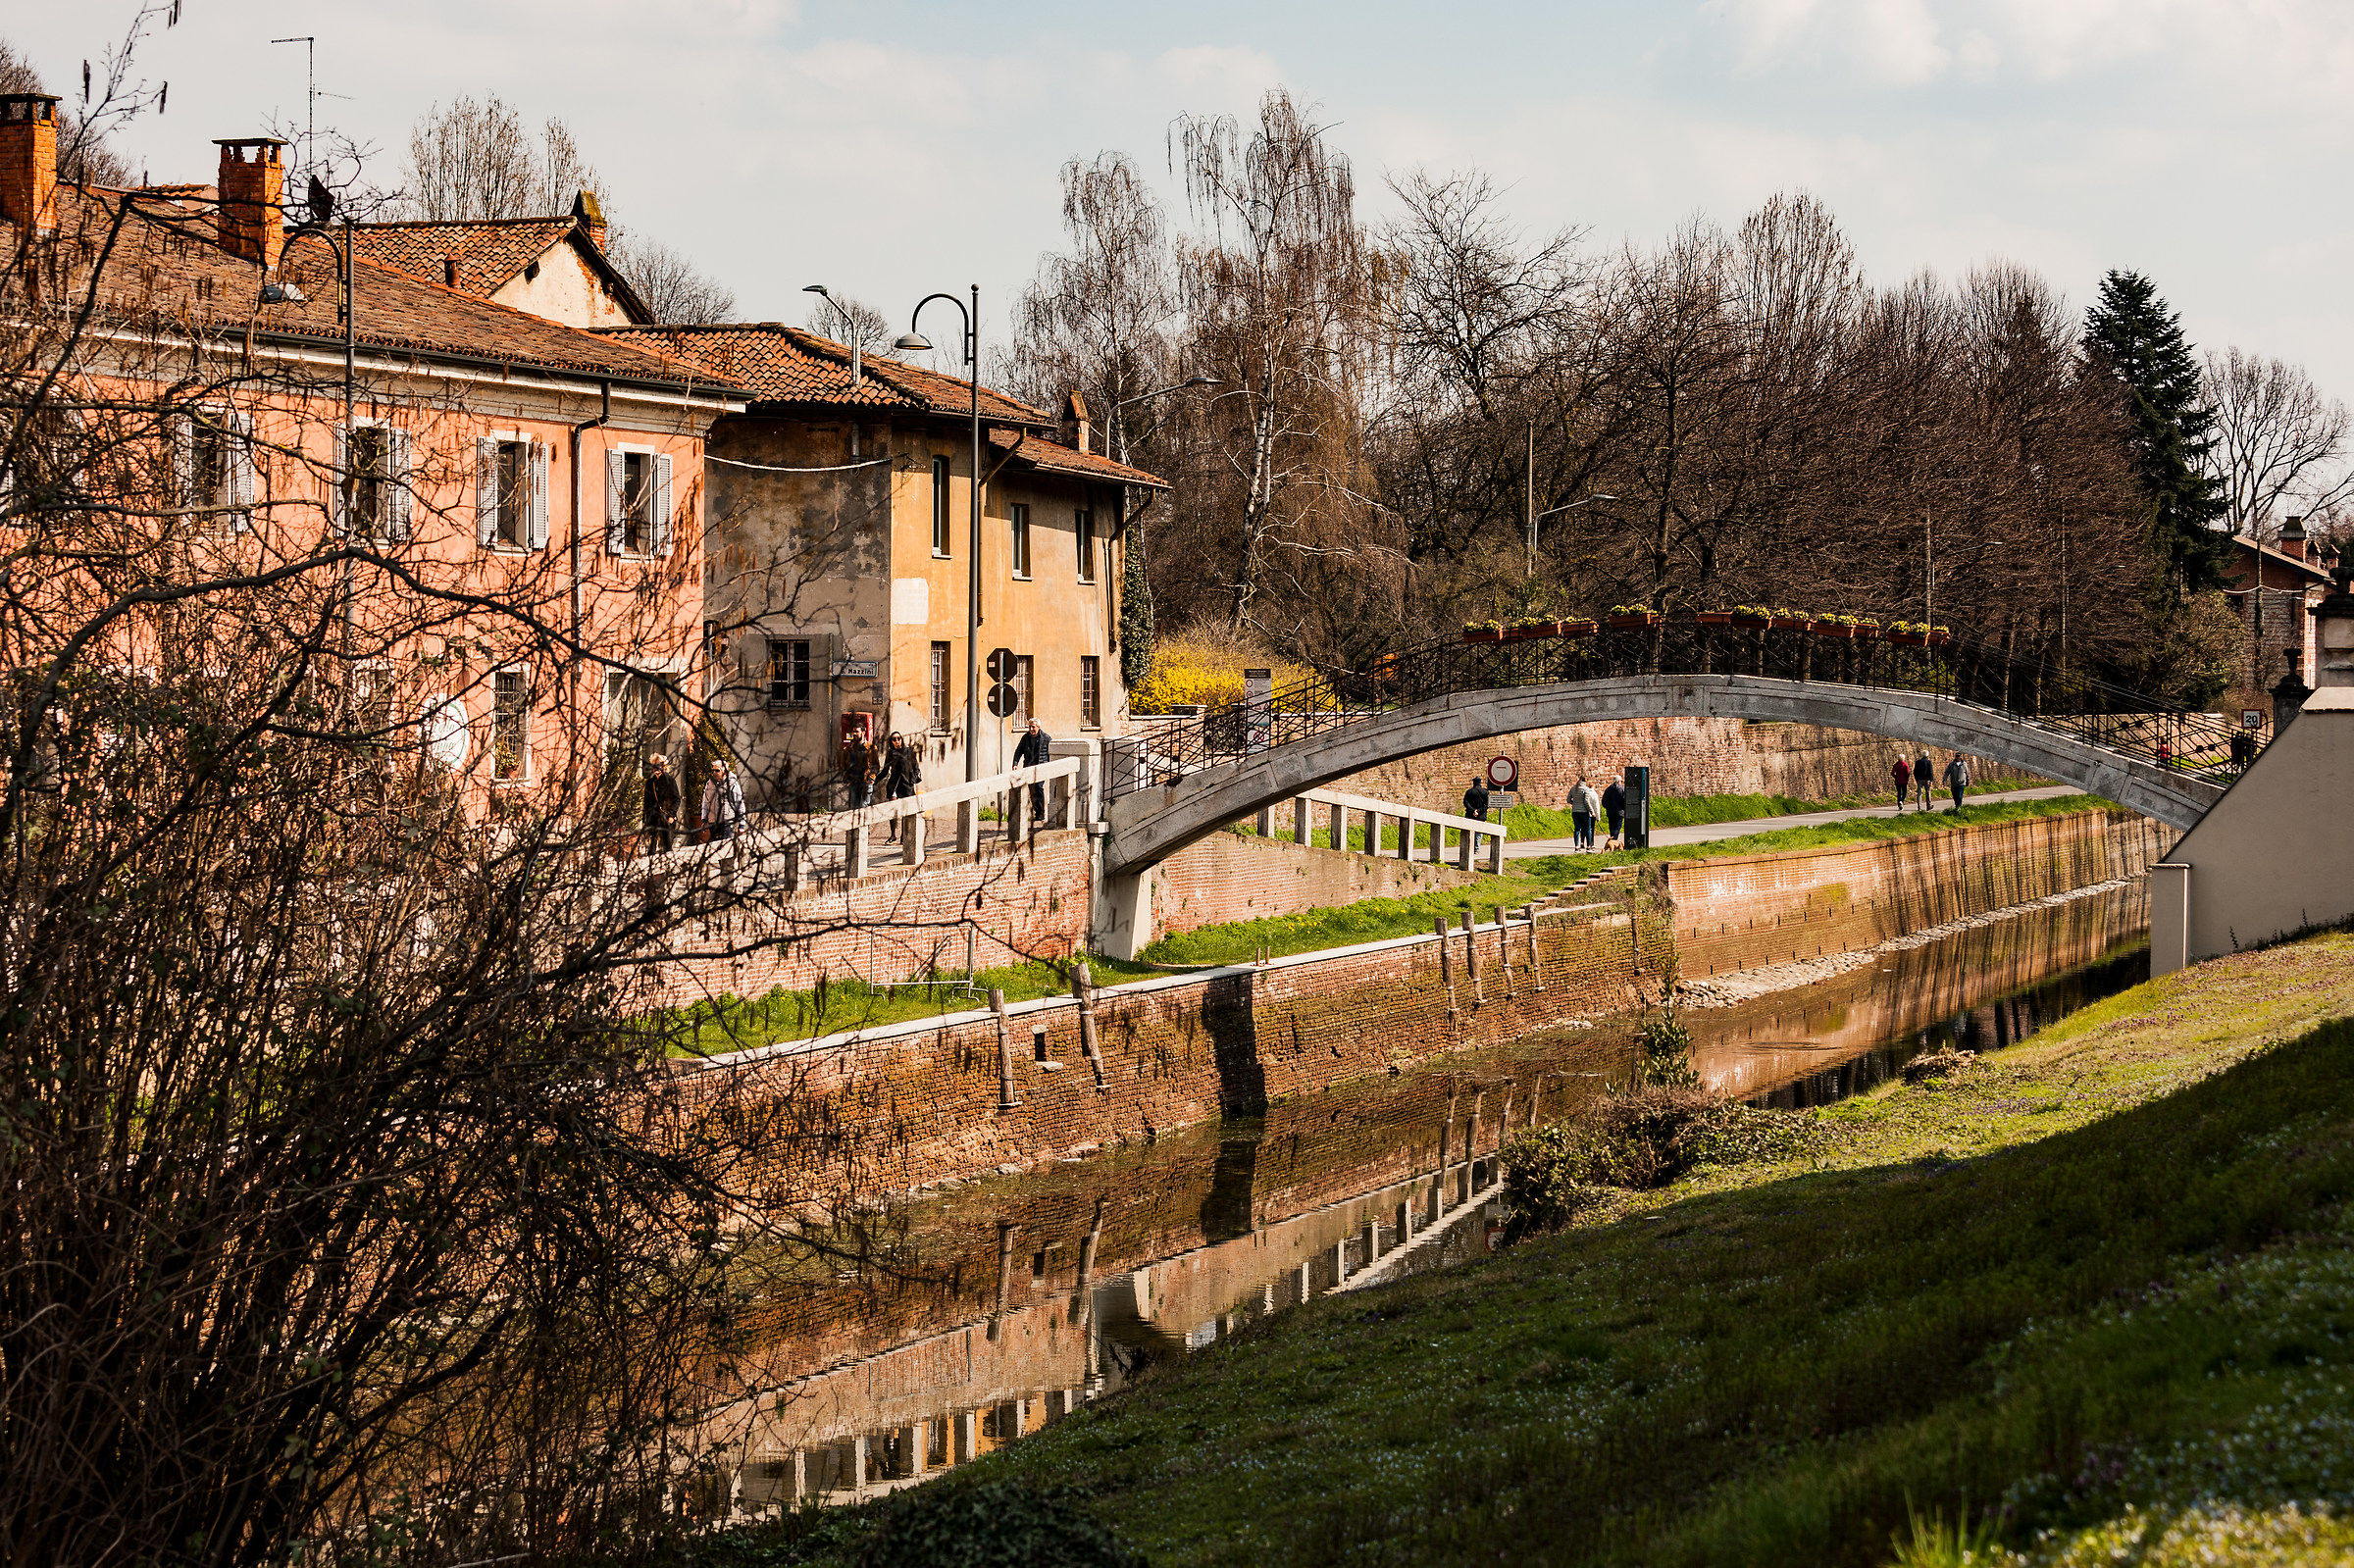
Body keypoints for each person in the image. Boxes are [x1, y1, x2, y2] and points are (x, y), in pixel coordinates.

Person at [1011, 719, 1053, 825]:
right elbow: (1019, 750)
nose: (1031, 729)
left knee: (1039, 787)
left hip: (1041, 767)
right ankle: (1038, 813)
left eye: (1033, 727)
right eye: (1029, 727)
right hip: (1029, 767)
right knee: (1032, 790)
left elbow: (1051, 753)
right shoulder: (1025, 738)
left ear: (1038, 727)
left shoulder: (1046, 738)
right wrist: (1015, 763)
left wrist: (1050, 766)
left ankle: (1041, 813)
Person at [883, 733, 922, 842]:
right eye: (894, 739)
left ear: (901, 740)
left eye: (898, 739)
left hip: (906, 785)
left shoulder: (909, 751)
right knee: (893, 809)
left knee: (906, 811)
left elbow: (916, 768)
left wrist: (912, 780)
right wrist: (874, 780)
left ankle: (904, 836)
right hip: (894, 784)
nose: (897, 741)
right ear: (891, 742)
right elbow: (885, 770)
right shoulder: (890, 753)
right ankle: (893, 835)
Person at [640, 752, 681, 855]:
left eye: (659, 765)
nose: (656, 768)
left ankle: (670, 868)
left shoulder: (670, 781)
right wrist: (645, 819)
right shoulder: (650, 783)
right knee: (651, 847)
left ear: (664, 766)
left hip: (666, 817)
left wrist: (671, 814)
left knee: (667, 845)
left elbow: (676, 799)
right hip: (653, 817)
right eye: (654, 765)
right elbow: (647, 802)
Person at [699, 757, 745, 843]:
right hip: (713, 822)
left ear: (724, 771)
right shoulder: (709, 784)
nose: (714, 773)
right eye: (713, 770)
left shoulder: (732, 784)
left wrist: (741, 824)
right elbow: (705, 802)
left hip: (727, 821)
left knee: (725, 846)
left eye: (717, 771)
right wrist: (704, 819)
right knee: (715, 846)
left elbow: (739, 803)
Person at [842, 730, 875, 810]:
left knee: (864, 807)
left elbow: (875, 765)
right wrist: (846, 779)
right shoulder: (850, 748)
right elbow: (844, 765)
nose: (854, 734)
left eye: (857, 731)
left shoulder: (870, 747)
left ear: (863, 733)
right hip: (853, 782)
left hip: (865, 781)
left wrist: (871, 778)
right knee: (853, 809)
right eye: (853, 732)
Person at [1569, 776, 1599, 851]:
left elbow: (1568, 799)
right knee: (1588, 828)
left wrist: (1574, 803)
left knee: (1577, 829)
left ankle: (1576, 847)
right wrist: (1592, 812)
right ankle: (1589, 847)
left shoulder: (1573, 788)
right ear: (1586, 781)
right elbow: (1586, 802)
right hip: (1584, 812)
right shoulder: (1586, 789)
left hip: (1575, 811)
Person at [1601, 774, 1626, 850]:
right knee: (1617, 828)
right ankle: (1615, 843)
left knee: (1611, 828)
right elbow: (1625, 800)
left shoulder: (1608, 789)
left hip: (1610, 812)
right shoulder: (1622, 789)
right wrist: (1624, 808)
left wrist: (1608, 807)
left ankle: (1612, 842)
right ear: (1619, 781)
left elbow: (1603, 801)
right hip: (1620, 812)